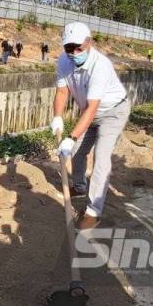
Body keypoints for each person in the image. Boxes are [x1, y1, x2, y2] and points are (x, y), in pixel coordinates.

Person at [50, 22, 129, 230]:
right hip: (88, 112)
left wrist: (71, 136)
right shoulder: (64, 61)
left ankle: (93, 211)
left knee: (101, 158)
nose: (74, 53)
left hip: (112, 112)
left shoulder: (100, 65)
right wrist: (57, 117)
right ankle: (79, 186)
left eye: (79, 48)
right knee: (77, 152)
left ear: (89, 42)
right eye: (69, 48)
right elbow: (61, 92)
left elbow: (94, 107)